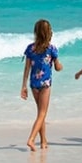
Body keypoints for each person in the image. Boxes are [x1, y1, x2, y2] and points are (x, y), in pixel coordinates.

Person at [20, 19, 61, 151]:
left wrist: (24, 86)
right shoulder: (51, 49)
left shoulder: (30, 49)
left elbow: (27, 68)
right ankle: (31, 139)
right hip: (45, 83)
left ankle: (43, 141)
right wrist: (60, 65)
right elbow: (58, 67)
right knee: (42, 113)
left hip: (34, 83)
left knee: (40, 113)